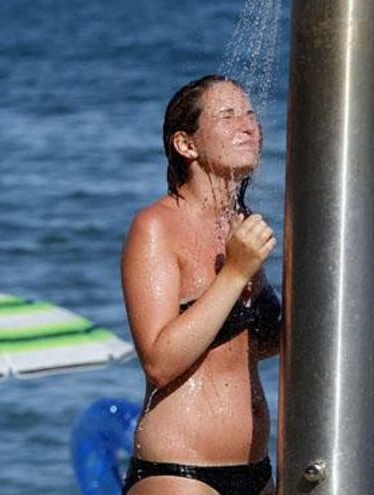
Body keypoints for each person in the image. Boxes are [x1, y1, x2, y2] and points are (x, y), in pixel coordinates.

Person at [120, 74, 281, 495]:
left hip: (257, 470)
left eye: (250, 113)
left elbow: (249, 344)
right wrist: (235, 273)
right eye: (227, 115)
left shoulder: (241, 223)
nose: (248, 125)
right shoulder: (156, 226)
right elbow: (158, 361)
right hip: (180, 471)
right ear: (185, 144)